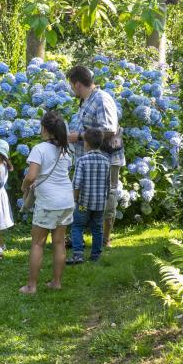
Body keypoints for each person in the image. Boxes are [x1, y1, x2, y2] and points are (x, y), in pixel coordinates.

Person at [67, 65, 125, 247]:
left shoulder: (101, 99)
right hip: (87, 160)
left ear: (77, 84)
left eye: (70, 84)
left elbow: (109, 128)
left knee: (107, 198)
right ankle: (80, 235)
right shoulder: (86, 100)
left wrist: (80, 136)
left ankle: (105, 240)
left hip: (105, 160)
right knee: (83, 198)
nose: (70, 88)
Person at [20, 111, 75, 294]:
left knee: (37, 243)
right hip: (66, 200)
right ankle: (56, 282)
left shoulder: (40, 149)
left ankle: (31, 286)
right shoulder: (66, 150)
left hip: (49, 202)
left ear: (44, 129)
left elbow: (31, 176)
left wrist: (24, 186)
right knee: (59, 242)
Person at [67, 128, 110, 265]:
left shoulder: (82, 160)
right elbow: (108, 184)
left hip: (84, 204)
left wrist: (75, 199)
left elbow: (77, 183)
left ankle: (78, 254)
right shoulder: (106, 161)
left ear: (86, 143)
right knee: (97, 228)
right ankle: (96, 255)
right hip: (99, 204)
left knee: (77, 226)